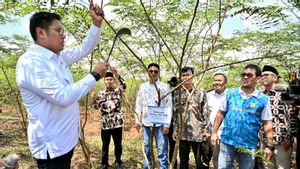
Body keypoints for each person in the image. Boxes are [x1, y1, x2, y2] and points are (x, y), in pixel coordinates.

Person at [15, 2, 108, 168]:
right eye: (59, 31)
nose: (63, 36)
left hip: (64, 143)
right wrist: (93, 75)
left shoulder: (57, 58)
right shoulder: (30, 63)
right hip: (51, 149)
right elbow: (62, 97)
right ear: (41, 32)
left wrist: (96, 24)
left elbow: (84, 48)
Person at [211, 64, 274, 169]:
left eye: (249, 75)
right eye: (243, 74)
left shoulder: (263, 99)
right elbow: (220, 113)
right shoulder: (230, 93)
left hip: (249, 144)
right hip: (227, 141)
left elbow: (267, 122)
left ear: (258, 78)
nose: (245, 77)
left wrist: (269, 145)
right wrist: (214, 133)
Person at [259, 65, 297, 169]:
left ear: (275, 78)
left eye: (266, 75)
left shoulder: (285, 93)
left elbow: (292, 116)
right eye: (262, 75)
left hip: (282, 140)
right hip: (264, 140)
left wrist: (289, 137)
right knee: (267, 167)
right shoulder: (260, 95)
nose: (263, 77)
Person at [135, 63, 172, 169]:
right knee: (146, 148)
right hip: (146, 123)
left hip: (161, 124)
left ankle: (163, 167)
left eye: (155, 71)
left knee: (162, 150)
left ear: (159, 73)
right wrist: (137, 120)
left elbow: (169, 106)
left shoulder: (165, 87)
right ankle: (147, 166)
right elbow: (138, 104)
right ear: (147, 73)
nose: (153, 73)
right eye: (150, 71)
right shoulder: (143, 87)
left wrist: (167, 125)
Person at [172, 67, 209, 169]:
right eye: (183, 75)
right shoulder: (177, 92)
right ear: (180, 77)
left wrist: (206, 130)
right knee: (183, 162)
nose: (186, 77)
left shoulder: (201, 92)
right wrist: (175, 129)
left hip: (198, 132)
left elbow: (205, 112)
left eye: (188, 75)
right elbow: (175, 113)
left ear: (193, 76)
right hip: (182, 132)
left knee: (200, 162)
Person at [91, 68, 126, 169]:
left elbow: (123, 86)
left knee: (118, 144)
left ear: (114, 81)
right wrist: (94, 100)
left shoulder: (118, 91)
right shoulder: (100, 93)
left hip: (117, 123)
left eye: (111, 79)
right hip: (105, 124)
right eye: (107, 79)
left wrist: (117, 75)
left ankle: (118, 161)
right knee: (105, 145)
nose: (109, 81)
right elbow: (96, 107)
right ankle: (104, 163)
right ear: (104, 81)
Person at [206, 72, 227, 169]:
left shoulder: (231, 95)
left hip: (227, 134)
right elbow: (205, 114)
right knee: (216, 158)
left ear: (225, 83)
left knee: (227, 160)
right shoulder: (208, 95)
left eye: (219, 80)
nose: (217, 82)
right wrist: (207, 131)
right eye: (215, 80)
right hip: (213, 133)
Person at [167, 76, 179, 168]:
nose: (173, 86)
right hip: (169, 123)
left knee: (180, 147)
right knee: (172, 146)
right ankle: (173, 165)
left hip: (180, 124)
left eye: (175, 84)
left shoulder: (181, 94)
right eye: (171, 84)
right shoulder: (167, 94)